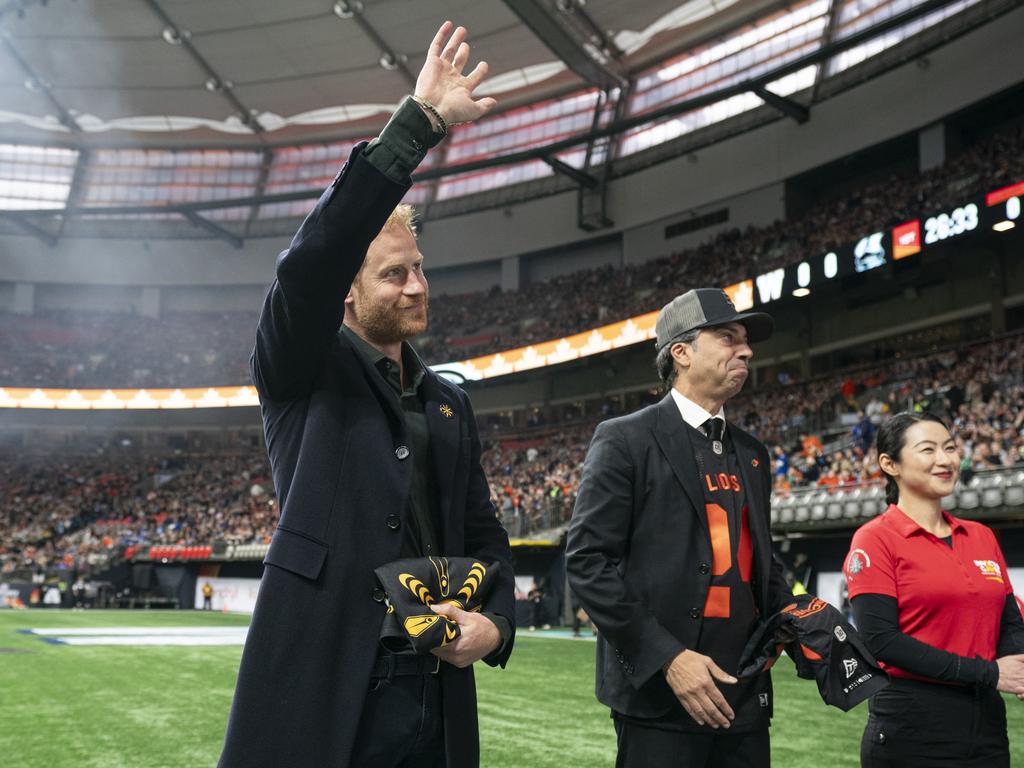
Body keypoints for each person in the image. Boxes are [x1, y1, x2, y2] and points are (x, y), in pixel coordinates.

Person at [218, 22, 515, 768]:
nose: (416, 284)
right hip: (330, 679)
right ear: (348, 292)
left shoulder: (449, 401)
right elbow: (308, 265)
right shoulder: (299, 367)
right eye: (393, 273)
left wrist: (497, 627)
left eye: (419, 268)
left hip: (434, 687)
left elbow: (484, 540)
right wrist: (417, 127)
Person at [566, 288, 791, 768]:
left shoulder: (753, 452)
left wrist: (804, 623)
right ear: (681, 352)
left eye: (746, 340)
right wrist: (668, 657)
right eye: (728, 337)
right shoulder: (625, 438)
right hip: (662, 697)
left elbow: (762, 564)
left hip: (744, 692)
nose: (745, 350)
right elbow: (587, 563)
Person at [844, 412, 1024, 768]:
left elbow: (1009, 622)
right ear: (889, 463)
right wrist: (991, 673)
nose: (946, 459)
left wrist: (1017, 667)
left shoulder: (981, 536)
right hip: (912, 725)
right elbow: (881, 640)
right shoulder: (875, 538)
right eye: (928, 450)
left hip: (987, 723)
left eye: (951, 448)